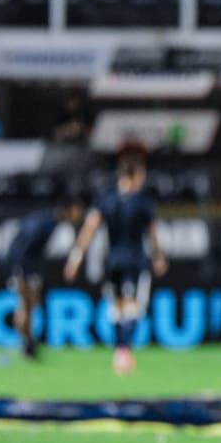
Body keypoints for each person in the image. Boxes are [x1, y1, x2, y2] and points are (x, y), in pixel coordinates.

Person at [63, 143, 168, 374]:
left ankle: (119, 351)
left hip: (112, 261)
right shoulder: (142, 203)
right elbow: (153, 234)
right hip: (135, 261)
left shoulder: (106, 199)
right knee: (133, 308)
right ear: (136, 174)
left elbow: (88, 230)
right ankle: (123, 351)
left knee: (117, 308)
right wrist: (159, 256)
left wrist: (75, 259)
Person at [1, 196, 85, 359]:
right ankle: (26, 344)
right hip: (23, 267)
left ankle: (27, 343)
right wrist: (20, 270)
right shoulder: (46, 222)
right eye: (77, 210)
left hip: (25, 266)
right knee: (26, 305)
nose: (79, 215)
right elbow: (23, 245)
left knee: (28, 306)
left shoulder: (48, 220)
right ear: (69, 209)